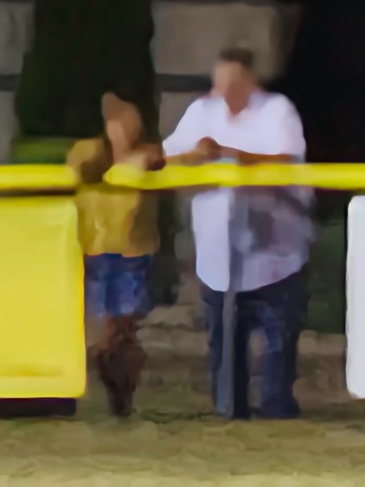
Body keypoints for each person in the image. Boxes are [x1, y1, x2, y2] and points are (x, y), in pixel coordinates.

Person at [161, 49, 313, 420]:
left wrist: (229, 153)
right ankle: (229, 407)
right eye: (219, 82)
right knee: (224, 339)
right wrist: (196, 155)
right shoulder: (201, 112)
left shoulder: (277, 110)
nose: (224, 91)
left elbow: (287, 160)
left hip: (276, 252)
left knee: (278, 340)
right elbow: (168, 158)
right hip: (217, 254)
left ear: (251, 81)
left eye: (233, 82)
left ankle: (278, 407)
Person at [66, 93, 164, 416]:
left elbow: (153, 163)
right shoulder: (86, 151)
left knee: (123, 330)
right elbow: (83, 172)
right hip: (96, 251)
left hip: (130, 253)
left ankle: (124, 397)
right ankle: (113, 392)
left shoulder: (147, 153)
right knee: (102, 334)